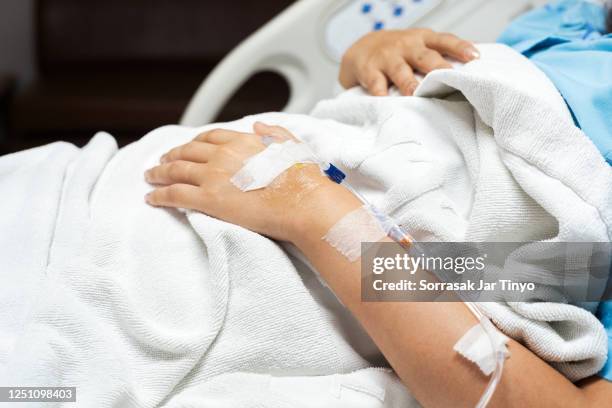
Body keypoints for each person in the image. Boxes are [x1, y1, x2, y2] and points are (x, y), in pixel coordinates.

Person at [143, 1, 612, 406]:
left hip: (332, 237)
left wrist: (317, 212)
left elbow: (514, 274)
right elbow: (412, 96)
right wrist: (375, 55)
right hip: (274, 156)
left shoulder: (577, 260)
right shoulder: (569, 33)